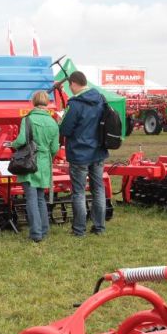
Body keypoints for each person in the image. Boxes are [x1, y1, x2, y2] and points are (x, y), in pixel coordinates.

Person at [59, 71, 108, 237]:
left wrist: (60, 121)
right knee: (98, 189)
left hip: (79, 153)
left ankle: (79, 230)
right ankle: (99, 227)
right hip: (98, 151)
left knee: (79, 192)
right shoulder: (100, 99)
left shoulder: (75, 104)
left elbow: (65, 129)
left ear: (73, 83)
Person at [11, 90, 60, 243]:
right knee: (40, 198)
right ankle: (44, 230)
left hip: (30, 162)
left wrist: (12, 145)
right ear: (47, 103)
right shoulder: (53, 122)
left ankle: (36, 234)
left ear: (34, 102)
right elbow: (55, 149)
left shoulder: (28, 120)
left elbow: (20, 141)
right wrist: (46, 156)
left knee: (31, 198)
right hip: (44, 163)